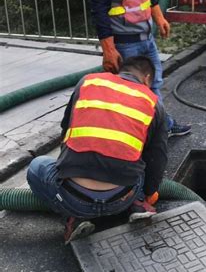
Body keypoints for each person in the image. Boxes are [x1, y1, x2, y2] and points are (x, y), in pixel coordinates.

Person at [27, 56, 168, 244]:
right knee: (141, 159)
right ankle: (137, 204)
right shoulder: (153, 102)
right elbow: (157, 159)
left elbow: (66, 129)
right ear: (147, 78)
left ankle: (73, 217)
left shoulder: (87, 82)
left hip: (72, 198)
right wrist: (149, 193)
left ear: (120, 70)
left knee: (36, 166)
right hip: (123, 198)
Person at [85, 0, 191, 138]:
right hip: (124, 43)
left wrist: (159, 17)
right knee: (130, 92)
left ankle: (162, 127)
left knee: (154, 85)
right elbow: (99, 12)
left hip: (145, 37)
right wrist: (109, 50)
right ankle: (140, 134)